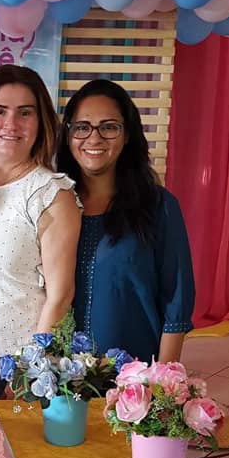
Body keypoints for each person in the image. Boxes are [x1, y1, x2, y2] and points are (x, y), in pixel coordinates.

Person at [0, 64, 82, 398]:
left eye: (25, 113)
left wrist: (30, 370)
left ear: (41, 122)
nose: (11, 124)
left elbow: (60, 296)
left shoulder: (50, 193)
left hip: (14, 362)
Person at [57, 78, 195, 363]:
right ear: (68, 134)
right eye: (82, 127)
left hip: (134, 372)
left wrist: (160, 379)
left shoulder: (158, 206)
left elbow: (176, 300)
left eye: (109, 127)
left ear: (127, 134)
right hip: (59, 374)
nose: (94, 138)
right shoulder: (52, 205)